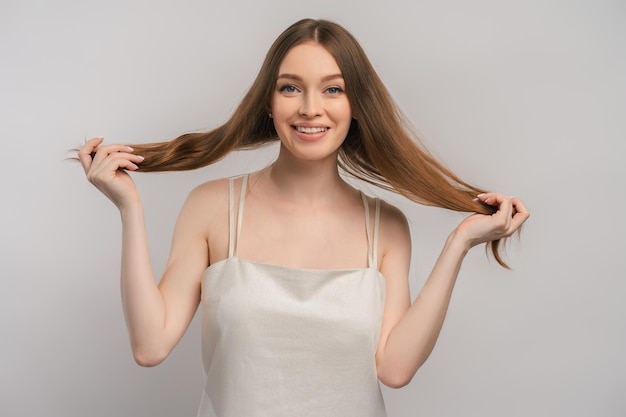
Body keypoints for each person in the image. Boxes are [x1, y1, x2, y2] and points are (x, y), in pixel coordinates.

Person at [77, 18, 529, 417]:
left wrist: (458, 245)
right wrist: (128, 209)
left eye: (333, 89)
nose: (310, 108)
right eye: (290, 87)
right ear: (268, 102)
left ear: (356, 107)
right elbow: (150, 346)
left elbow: (394, 370)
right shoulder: (212, 206)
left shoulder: (385, 226)